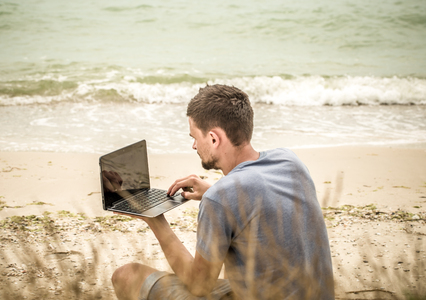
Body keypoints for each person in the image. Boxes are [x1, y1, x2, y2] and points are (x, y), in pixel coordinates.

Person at [111, 84, 335, 300]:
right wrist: (211, 190)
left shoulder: (220, 199)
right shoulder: (289, 160)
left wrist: (155, 220)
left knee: (126, 276)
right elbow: (258, 196)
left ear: (213, 138)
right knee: (236, 256)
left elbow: (200, 285)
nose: (194, 146)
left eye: (194, 137)